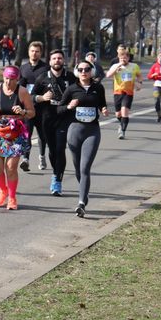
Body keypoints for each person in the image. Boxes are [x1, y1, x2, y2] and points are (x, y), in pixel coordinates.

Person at [57, 61, 109, 217]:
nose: (83, 72)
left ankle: (81, 203)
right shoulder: (72, 89)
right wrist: (69, 107)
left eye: (86, 69)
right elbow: (59, 109)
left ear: (91, 71)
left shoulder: (98, 88)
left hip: (92, 131)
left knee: (85, 167)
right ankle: (84, 193)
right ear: (76, 72)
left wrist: (104, 109)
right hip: (75, 131)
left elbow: (102, 104)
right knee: (78, 168)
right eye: (80, 70)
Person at [0, 66, 35, 210]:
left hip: (15, 133)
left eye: (12, 79)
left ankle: (12, 198)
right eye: (6, 78)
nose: (9, 82)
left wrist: (23, 111)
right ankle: (3, 190)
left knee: (11, 167)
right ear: (3, 77)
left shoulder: (22, 92)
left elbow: (32, 113)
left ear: (17, 79)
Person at [33, 49, 76, 196]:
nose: (57, 60)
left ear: (63, 60)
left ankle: (57, 180)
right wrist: (42, 97)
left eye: (59, 58)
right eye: (54, 58)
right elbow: (31, 96)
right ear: (50, 61)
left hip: (65, 118)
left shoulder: (70, 77)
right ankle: (55, 172)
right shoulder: (42, 78)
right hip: (47, 118)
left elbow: (79, 92)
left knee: (60, 149)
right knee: (52, 151)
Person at [18, 41, 49, 172]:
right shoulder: (23, 68)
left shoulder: (46, 68)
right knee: (26, 135)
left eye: (37, 51)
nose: (34, 53)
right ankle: (26, 158)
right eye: (32, 51)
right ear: (28, 52)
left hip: (42, 108)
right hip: (27, 108)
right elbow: (19, 87)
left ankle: (42, 156)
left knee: (42, 136)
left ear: (40, 53)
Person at [105, 47, 142, 139]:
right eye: (121, 58)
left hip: (128, 92)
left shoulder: (134, 66)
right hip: (117, 92)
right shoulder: (115, 66)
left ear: (128, 58)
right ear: (119, 58)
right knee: (118, 114)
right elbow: (108, 75)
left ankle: (122, 131)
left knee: (125, 111)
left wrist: (139, 84)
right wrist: (117, 68)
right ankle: (121, 123)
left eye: (125, 58)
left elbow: (139, 76)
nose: (123, 60)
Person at [147, 51, 161, 122]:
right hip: (157, 85)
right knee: (156, 100)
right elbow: (149, 76)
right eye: (159, 56)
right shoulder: (154, 66)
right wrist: (153, 75)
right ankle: (159, 115)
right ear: (157, 58)